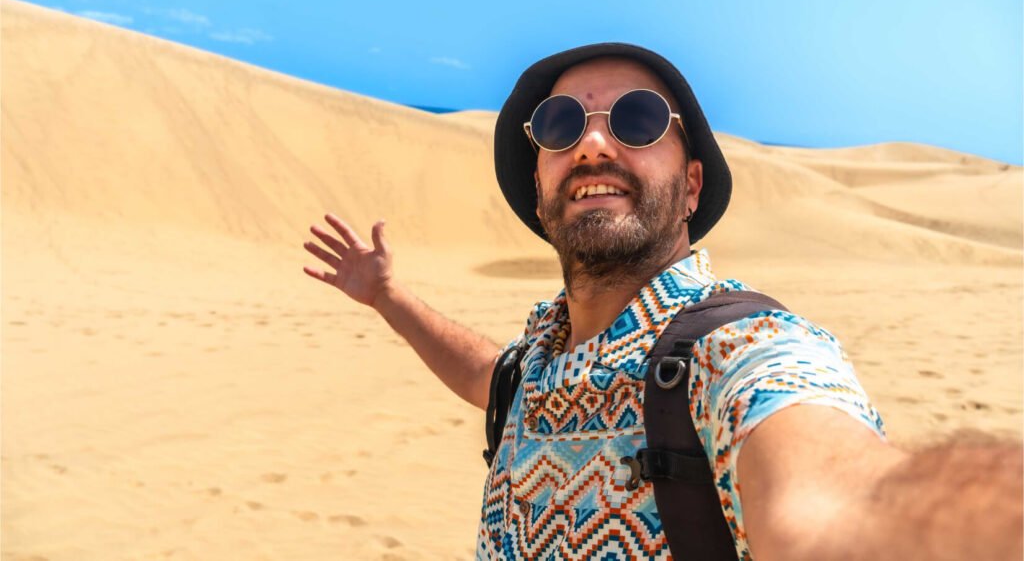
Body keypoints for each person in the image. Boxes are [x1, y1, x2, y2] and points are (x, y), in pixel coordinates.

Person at [303, 43, 1022, 560]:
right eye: (559, 126)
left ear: (693, 187)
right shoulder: (537, 365)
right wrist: (389, 297)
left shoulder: (739, 354)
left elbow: (842, 500)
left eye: (639, 120)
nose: (590, 143)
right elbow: (485, 374)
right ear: (538, 186)